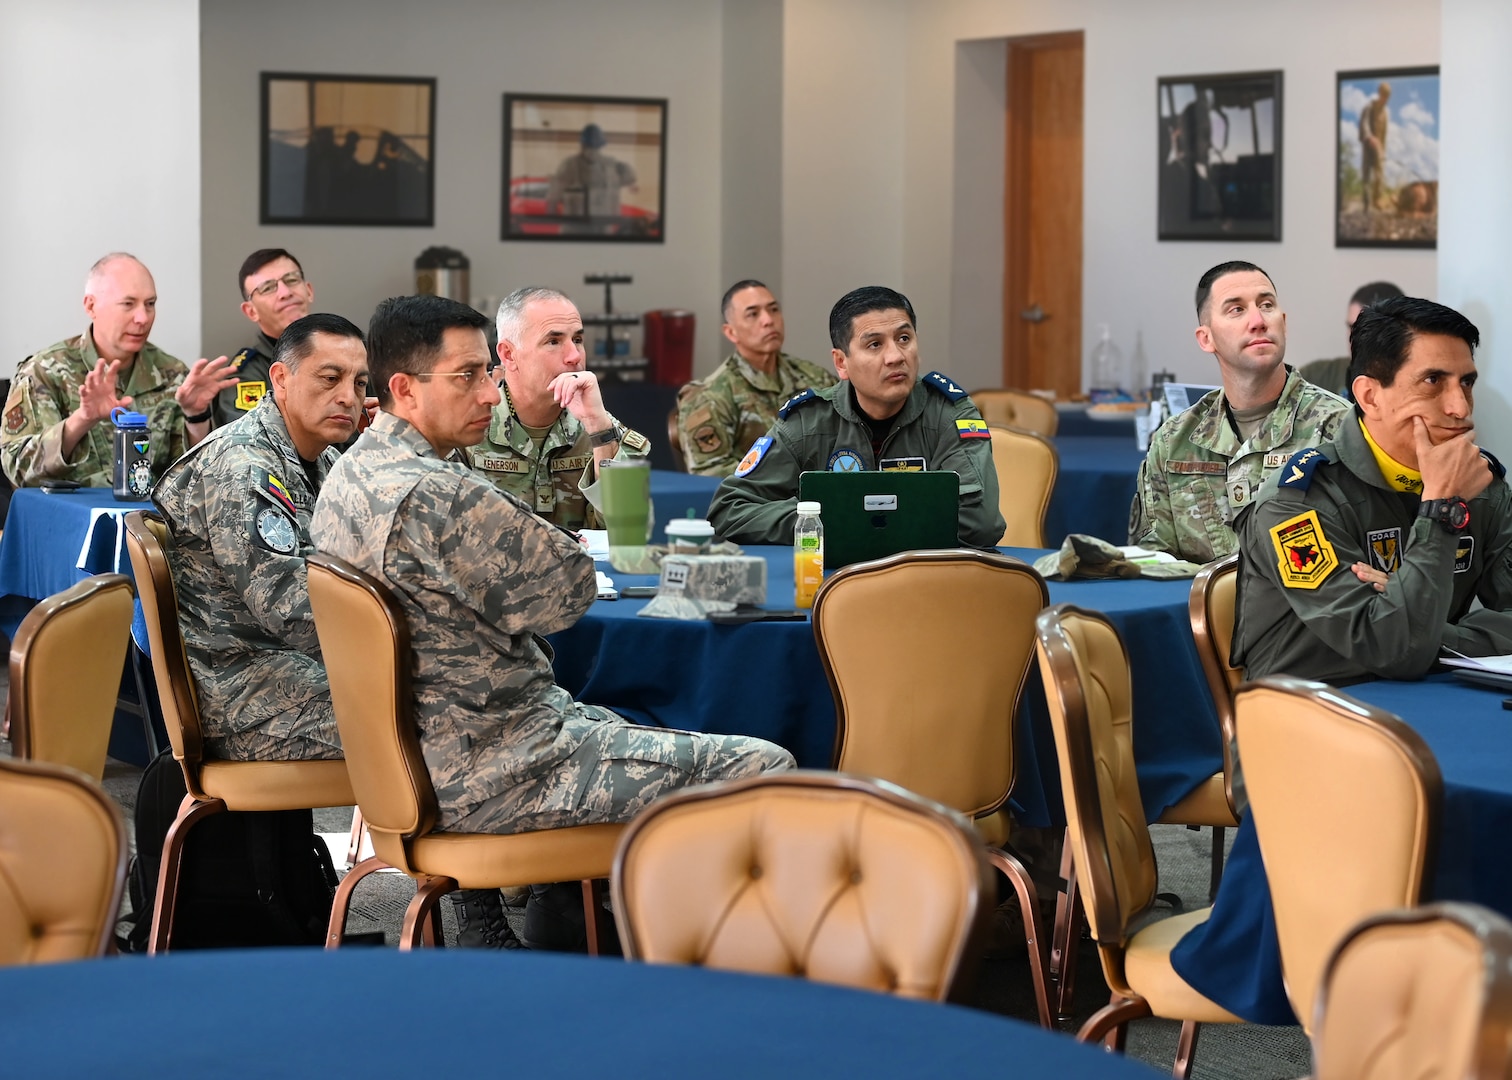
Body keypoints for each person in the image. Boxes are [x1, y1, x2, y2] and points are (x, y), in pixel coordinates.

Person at [310, 294, 794, 950]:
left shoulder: (346, 476)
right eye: (470, 376)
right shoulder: (445, 493)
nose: (489, 393)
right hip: (505, 766)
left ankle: (569, 929)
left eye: (488, 373)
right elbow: (569, 592)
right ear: (404, 388)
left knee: (620, 721)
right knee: (767, 764)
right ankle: (723, 974)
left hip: (406, 766)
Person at [1233, 296, 1512, 684]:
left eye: (1466, 382)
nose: (1460, 407)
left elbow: (1406, 643)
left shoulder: (1482, 486)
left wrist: (1431, 632)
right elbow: (1392, 650)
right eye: (1433, 381)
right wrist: (1442, 509)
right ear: (1369, 396)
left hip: (1434, 698)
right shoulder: (1295, 502)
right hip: (1311, 716)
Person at [152, 313, 367, 763]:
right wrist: (410, 644)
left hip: (293, 667)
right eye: (330, 378)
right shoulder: (244, 465)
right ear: (280, 378)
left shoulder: (321, 458)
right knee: (436, 716)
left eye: (360, 383)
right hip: (244, 694)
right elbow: (291, 609)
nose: (348, 397)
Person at [707, 285, 1003, 547]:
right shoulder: (808, 421)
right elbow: (729, 509)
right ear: (841, 362)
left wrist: (854, 520)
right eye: (874, 344)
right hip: (830, 584)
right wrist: (815, 518)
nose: (896, 356)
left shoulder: (949, 414)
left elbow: (981, 523)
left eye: (903, 338)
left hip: (924, 584)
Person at [1128, 261, 1350, 564]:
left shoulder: (1339, 426)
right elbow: (1151, 559)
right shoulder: (1174, 440)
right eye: (1236, 309)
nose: (1258, 321)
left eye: (1267, 305)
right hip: (1195, 609)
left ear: (1283, 323)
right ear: (1206, 339)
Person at [1, 253, 239, 488]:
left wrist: (196, 417)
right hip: (67, 520)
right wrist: (82, 420)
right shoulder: (45, 372)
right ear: (91, 305)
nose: (142, 318)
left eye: (150, 304)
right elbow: (18, 469)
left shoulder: (172, 374)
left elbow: (197, 481)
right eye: (128, 304)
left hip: (146, 523)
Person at [466, 287, 649, 530]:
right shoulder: (469, 426)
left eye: (578, 340)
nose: (574, 356)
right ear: (508, 355)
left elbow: (630, 530)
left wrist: (598, 427)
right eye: (553, 341)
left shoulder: (599, 425)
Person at [676, 280, 837, 476]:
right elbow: (710, 473)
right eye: (753, 314)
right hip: (754, 503)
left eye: (774, 309)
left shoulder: (815, 378)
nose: (768, 320)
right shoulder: (709, 396)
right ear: (731, 332)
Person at [216, 249, 316, 428]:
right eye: (268, 288)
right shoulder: (245, 374)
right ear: (251, 311)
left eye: (291, 280)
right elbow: (251, 443)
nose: (285, 292)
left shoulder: (350, 355)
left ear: (308, 290)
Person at [1298, 281, 1404, 396]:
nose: (1353, 337)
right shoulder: (1315, 377)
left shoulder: (1414, 382)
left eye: (1364, 328)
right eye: (1350, 327)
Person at [545, 123, 637, 220]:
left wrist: (628, 176)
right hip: (575, 226)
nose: (592, 151)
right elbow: (554, 195)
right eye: (589, 146)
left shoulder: (610, 164)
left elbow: (629, 178)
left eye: (595, 147)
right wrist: (552, 217)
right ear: (582, 145)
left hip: (602, 224)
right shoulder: (570, 165)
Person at [1360, 82, 1392, 213]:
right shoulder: (1369, 106)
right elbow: (1364, 123)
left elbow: (1384, 134)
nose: (1385, 98)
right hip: (1368, 145)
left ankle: (1377, 201)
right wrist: (1369, 136)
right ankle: (1366, 205)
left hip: (1378, 147)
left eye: (1387, 96)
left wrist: (1383, 150)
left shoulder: (1385, 113)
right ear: (1380, 93)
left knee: (1380, 174)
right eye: (1384, 95)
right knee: (1366, 175)